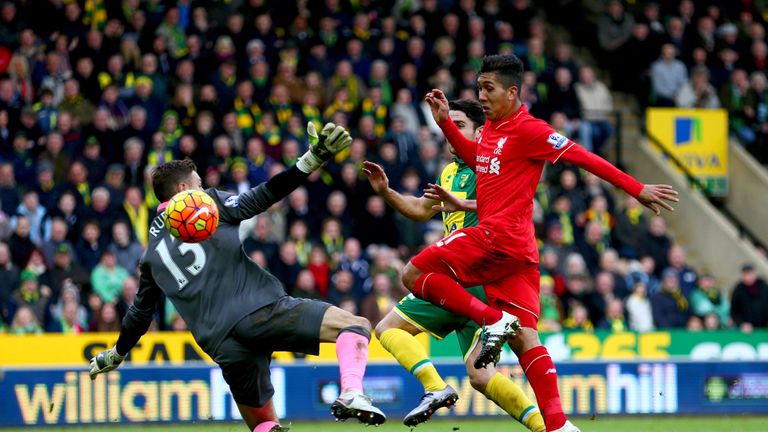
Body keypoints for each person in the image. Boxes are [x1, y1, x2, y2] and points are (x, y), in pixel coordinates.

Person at [412, 54, 678, 432]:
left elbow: (584, 157)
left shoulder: (531, 130)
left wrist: (636, 189)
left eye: (488, 89)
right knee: (525, 338)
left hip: (495, 238)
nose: (481, 96)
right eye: (478, 88)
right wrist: (445, 126)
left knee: (412, 273)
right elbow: (479, 159)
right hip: (519, 251)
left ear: (512, 91)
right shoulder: (490, 130)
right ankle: (558, 425)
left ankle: (491, 321)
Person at [87, 122, 386, 432]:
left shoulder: (149, 256)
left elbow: (139, 314)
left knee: (265, 427)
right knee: (355, 325)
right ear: (183, 190)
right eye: (198, 184)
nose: (202, 189)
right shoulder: (206, 205)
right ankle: (352, 391)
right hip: (260, 311)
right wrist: (312, 159)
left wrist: (118, 353)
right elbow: (263, 196)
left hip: (223, 346)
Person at [363, 99, 544, 431]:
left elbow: (509, 205)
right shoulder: (449, 171)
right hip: (453, 280)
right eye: (448, 128)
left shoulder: (491, 167)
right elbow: (420, 210)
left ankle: (435, 386)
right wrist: (387, 192)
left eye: (458, 126)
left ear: (480, 131)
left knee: (389, 327)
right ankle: (543, 427)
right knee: (479, 375)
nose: (450, 135)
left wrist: (465, 202)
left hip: (474, 274)